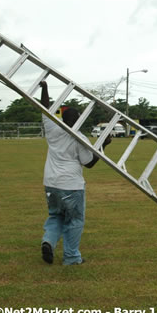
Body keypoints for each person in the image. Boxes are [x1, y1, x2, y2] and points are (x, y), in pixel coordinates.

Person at [39, 81, 111, 265]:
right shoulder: (81, 139)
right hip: (71, 186)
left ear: (63, 118)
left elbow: (44, 107)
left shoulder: (52, 129)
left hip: (50, 183)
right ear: (78, 119)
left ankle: (48, 241)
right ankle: (71, 257)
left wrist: (45, 87)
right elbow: (89, 163)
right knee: (74, 220)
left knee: (56, 216)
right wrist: (103, 146)